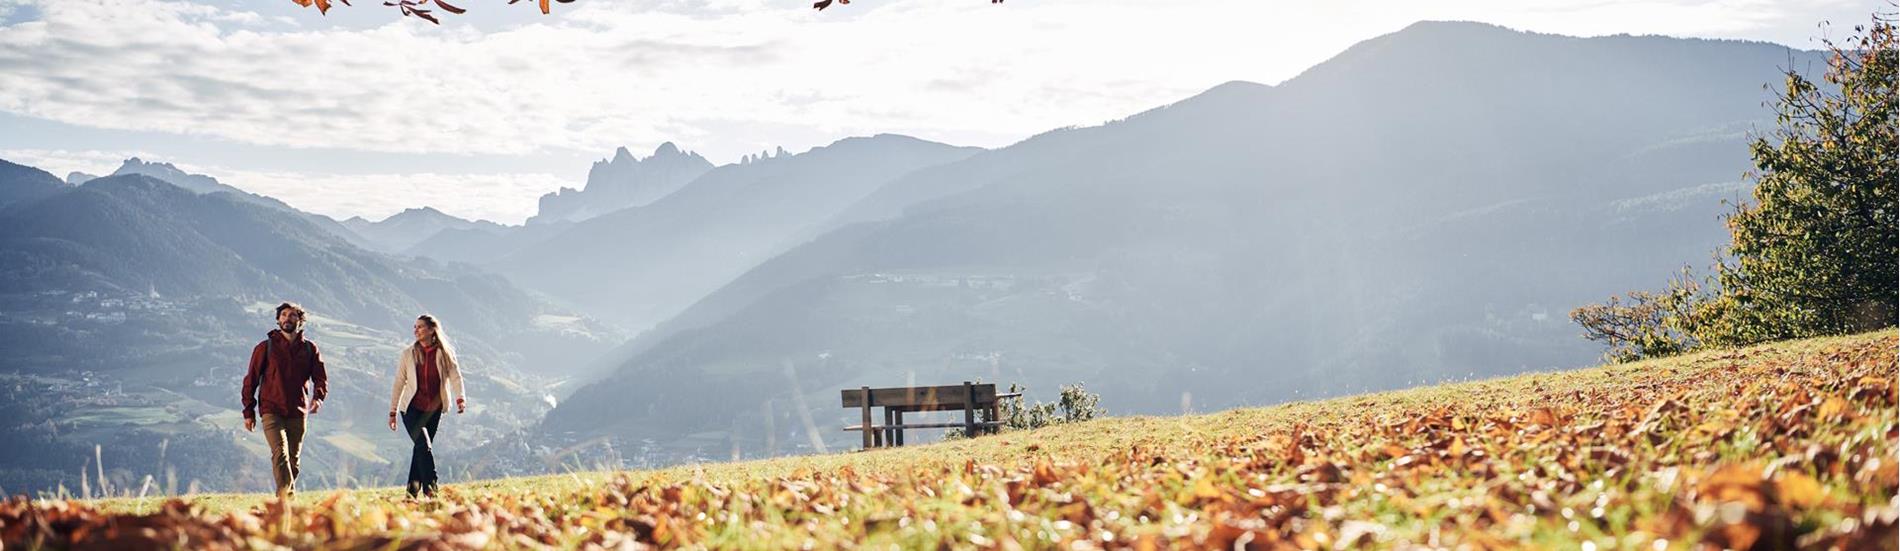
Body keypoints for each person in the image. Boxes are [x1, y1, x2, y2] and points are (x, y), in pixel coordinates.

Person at [240, 301, 328, 498]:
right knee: (280, 453)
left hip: (298, 411)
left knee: (294, 460)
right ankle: (285, 502)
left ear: (300, 320)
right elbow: (251, 380)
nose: (288, 318)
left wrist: (318, 398)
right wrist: (248, 412)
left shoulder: (309, 349)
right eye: (284, 315)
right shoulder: (265, 348)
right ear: (278, 320)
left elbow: (320, 377)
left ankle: (286, 499)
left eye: (293, 315)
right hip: (272, 409)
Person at [388, 314, 466, 499]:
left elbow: (456, 376)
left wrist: (460, 398)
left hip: (433, 410)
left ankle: (411, 495)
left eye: (420, 327)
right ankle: (431, 491)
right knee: (424, 445)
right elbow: (399, 382)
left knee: (420, 449)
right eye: (415, 327)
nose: (416, 330)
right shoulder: (408, 354)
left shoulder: (444, 353)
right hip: (411, 409)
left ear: (432, 330)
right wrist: (392, 411)